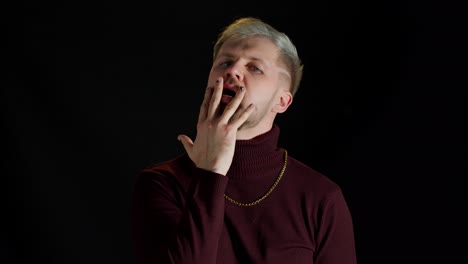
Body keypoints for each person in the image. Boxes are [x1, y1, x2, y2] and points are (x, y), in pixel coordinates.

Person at [130, 17, 357, 264]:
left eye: (254, 68)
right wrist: (210, 173)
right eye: (225, 62)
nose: (232, 71)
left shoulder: (320, 198)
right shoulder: (162, 183)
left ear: (282, 101)